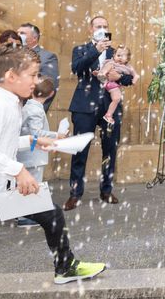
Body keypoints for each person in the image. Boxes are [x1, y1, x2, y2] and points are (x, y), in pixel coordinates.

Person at [0, 45, 105, 284]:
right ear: (11, 76)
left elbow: (4, 141)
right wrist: (19, 170)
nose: (37, 81)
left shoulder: (12, 101)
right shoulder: (0, 104)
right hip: (3, 183)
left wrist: (35, 140)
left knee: (52, 214)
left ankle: (65, 267)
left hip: (2, 187)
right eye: (33, 75)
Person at [64, 16, 134, 211]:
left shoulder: (115, 52)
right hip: (84, 107)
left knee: (110, 150)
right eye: (98, 26)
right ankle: (75, 193)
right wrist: (96, 50)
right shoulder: (80, 49)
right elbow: (77, 68)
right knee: (80, 150)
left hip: (109, 109)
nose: (102, 29)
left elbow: (129, 77)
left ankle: (106, 190)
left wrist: (119, 76)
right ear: (90, 30)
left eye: (105, 26)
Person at [15, 76, 62, 228]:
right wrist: (56, 135)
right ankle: (25, 216)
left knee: (27, 184)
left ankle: (22, 213)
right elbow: (36, 133)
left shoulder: (28, 105)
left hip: (27, 153)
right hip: (33, 154)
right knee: (33, 184)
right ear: (51, 94)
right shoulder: (36, 109)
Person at [17, 23, 59, 112]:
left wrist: (35, 111)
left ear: (34, 38)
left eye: (22, 33)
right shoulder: (13, 54)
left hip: (28, 110)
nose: (18, 35)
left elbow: (48, 88)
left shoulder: (47, 56)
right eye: (18, 33)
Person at [97, 45, 138, 129]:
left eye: (123, 56)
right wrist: (102, 73)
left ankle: (108, 115)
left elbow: (134, 75)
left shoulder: (128, 67)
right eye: (118, 55)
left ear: (127, 59)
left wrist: (133, 79)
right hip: (111, 84)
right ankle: (102, 76)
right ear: (114, 56)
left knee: (117, 99)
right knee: (117, 98)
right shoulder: (112, 63)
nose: (120, 58)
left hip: (115, 85)